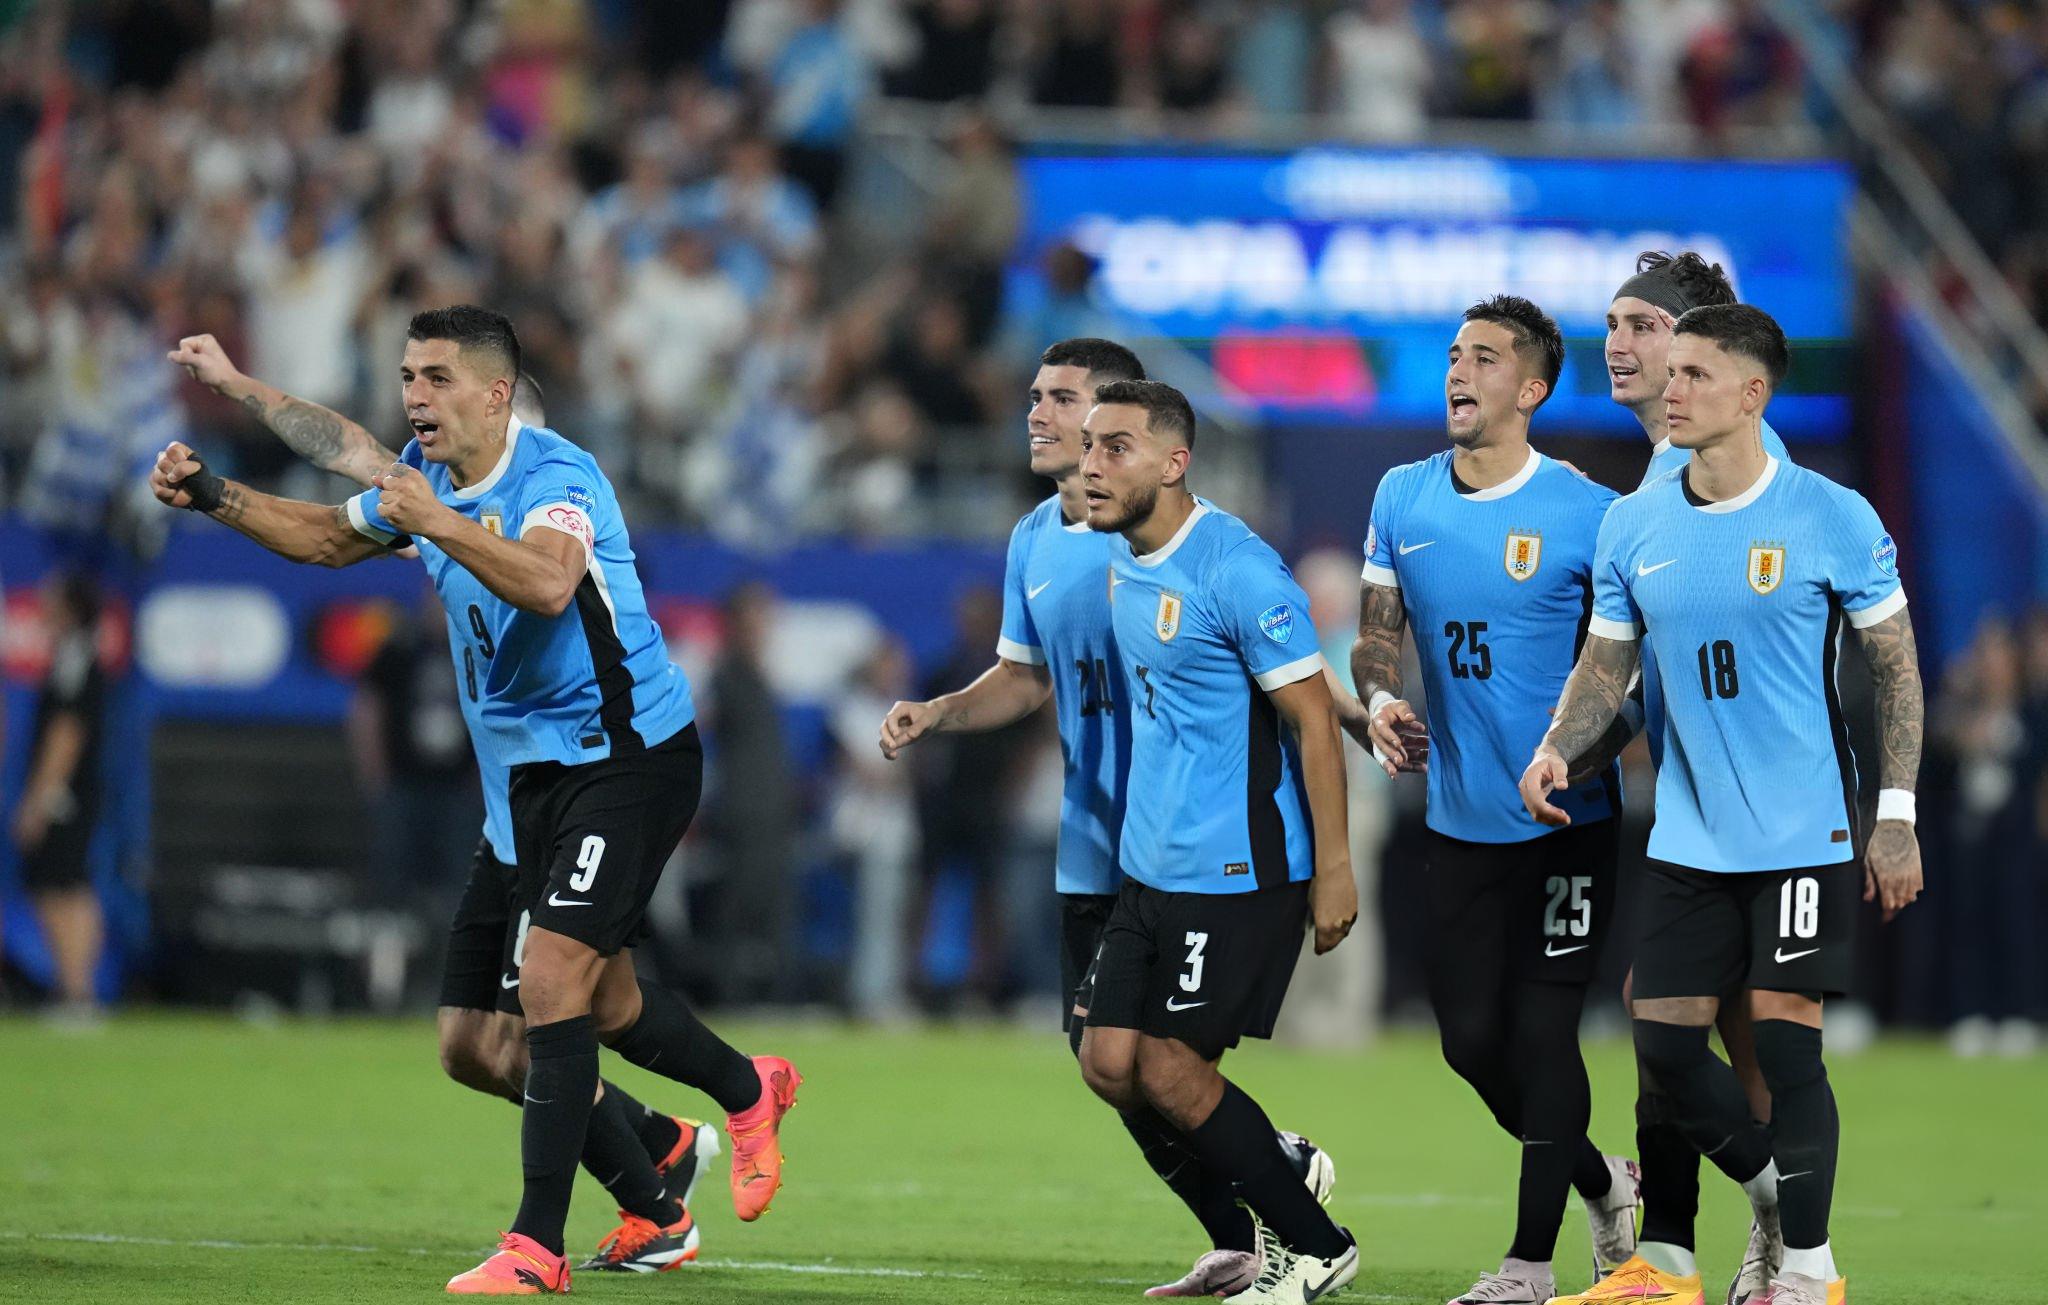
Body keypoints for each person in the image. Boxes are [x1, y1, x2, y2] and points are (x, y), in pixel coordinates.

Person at [152, 307, 800, 1295]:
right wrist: (213, 488)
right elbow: (331, 530)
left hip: (623, 761)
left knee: (551, 987)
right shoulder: (427, 486)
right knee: (487, 1043)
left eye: (439, 377)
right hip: (524, 792)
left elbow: (547, 583)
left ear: (496, 394)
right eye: (410, 375)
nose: (417, 393)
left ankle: (536, 1247)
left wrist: (433, 522)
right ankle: (695, 1134)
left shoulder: (556, 479)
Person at [878, 341, 1332, 1298]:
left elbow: (1281, 674)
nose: (1047, 421)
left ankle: (1290, 1216)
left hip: (1206, 849)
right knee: (1107, 1060)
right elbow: (1029, 675)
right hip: (1105, 843)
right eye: (1039, 400)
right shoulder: (1039, 540)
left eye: (1072, 406)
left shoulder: (1165, 546)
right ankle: (1248, 1226)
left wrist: (1358, 727)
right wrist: (944, 711)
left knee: (1164, 1064)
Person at [1524, 305, 1925, 1305]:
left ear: (1750, 394)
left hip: (1802, 832)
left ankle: (1808, 1272)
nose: (1672, 386)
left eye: (1695, 374)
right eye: (1674, 372)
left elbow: (1896, 672)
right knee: (1659, 1044)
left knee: (1786, 1043)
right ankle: (1775, 1203)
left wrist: (1895, 815)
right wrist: (1553, 750)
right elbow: (1604, 670)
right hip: (1687, 839)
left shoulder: (1829, 515)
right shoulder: (1634, 522)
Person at [1352, 296, 1640, 1305]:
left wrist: (1577, 752)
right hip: (1457, 824)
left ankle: (1526, 1265)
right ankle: (1605, 1182)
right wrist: (1381, 696)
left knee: (1539, 1031)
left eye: (1482, 358)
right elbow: (1372, 632)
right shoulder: (1401, 497)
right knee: (1467, 1042)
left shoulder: (1589, 515)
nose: (1456, 372)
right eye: (1450, 355)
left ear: (1529, 389)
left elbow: (1626, 682)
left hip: (1566, 825)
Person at [1073, 379, 1360, 1305]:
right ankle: (1254, 1194)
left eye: (1116, 447)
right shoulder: (1123, 557)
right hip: (1150, 863)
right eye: (1088, 447)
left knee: (1170, 1065)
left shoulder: (1236, 568)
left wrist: (1335, 868)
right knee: (1108, 1060)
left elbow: (1312, 720)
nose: (1092, 465)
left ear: (1174, 460)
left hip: (1238, 866)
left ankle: (1317, 1246)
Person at [1604, 250, 1788, 1303]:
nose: (1621, 346)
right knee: (1701, 1021)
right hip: (1691, 798)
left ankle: (1768, 1231)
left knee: (1711, 1022)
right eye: (1614, 325)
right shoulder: (1654, 481)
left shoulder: (1733, 467)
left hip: (1767, 802)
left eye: (1642, 325)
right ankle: (1682, 1258)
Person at [11, 571, 107, 1020]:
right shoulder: (73, 656)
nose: (42, 602)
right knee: (65, 885)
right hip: (71, 791)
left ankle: (77, 992)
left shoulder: (74, 659)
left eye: (51, 595)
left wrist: (40, 798)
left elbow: (66, 731)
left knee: (61, 887)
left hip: (64, 794)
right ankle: (75, 992)